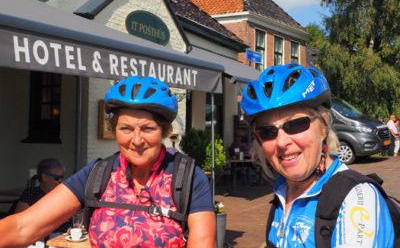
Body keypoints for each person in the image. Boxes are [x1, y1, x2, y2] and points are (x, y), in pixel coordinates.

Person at [0, 76, 216, 248]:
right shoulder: (99, 173)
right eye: (126, 128)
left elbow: (203, 243)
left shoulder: (186, 177)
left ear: (164, 131)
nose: (137, 140)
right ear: (114, 131)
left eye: (148, 128)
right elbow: (23, 226)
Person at [240, 63, 394, 247]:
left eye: (296, 124)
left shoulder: (355, 199)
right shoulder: (283, 192)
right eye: (267, 131)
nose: (282, 142)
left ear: (323, 126)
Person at [13, 158, 71, 235]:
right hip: (39, 238)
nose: (60, 181)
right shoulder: (31, 193)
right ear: (44, 177)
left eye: (62, 177)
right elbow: (19, 221)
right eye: (57, 178)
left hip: (64, 237)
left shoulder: (64, 194)